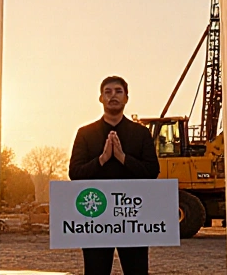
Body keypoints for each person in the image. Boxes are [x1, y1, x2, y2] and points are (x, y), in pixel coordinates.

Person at [68, 75, 160, 275]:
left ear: (126, 97)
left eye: (118, 91)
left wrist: (122, 157)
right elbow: (74, 173)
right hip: (96, 219)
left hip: (133, 216)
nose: (113, 96)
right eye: (107, 92)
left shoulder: (141, 133)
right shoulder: (85, 133)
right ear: (100, 98)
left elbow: (152, 172)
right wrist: (102, 159)